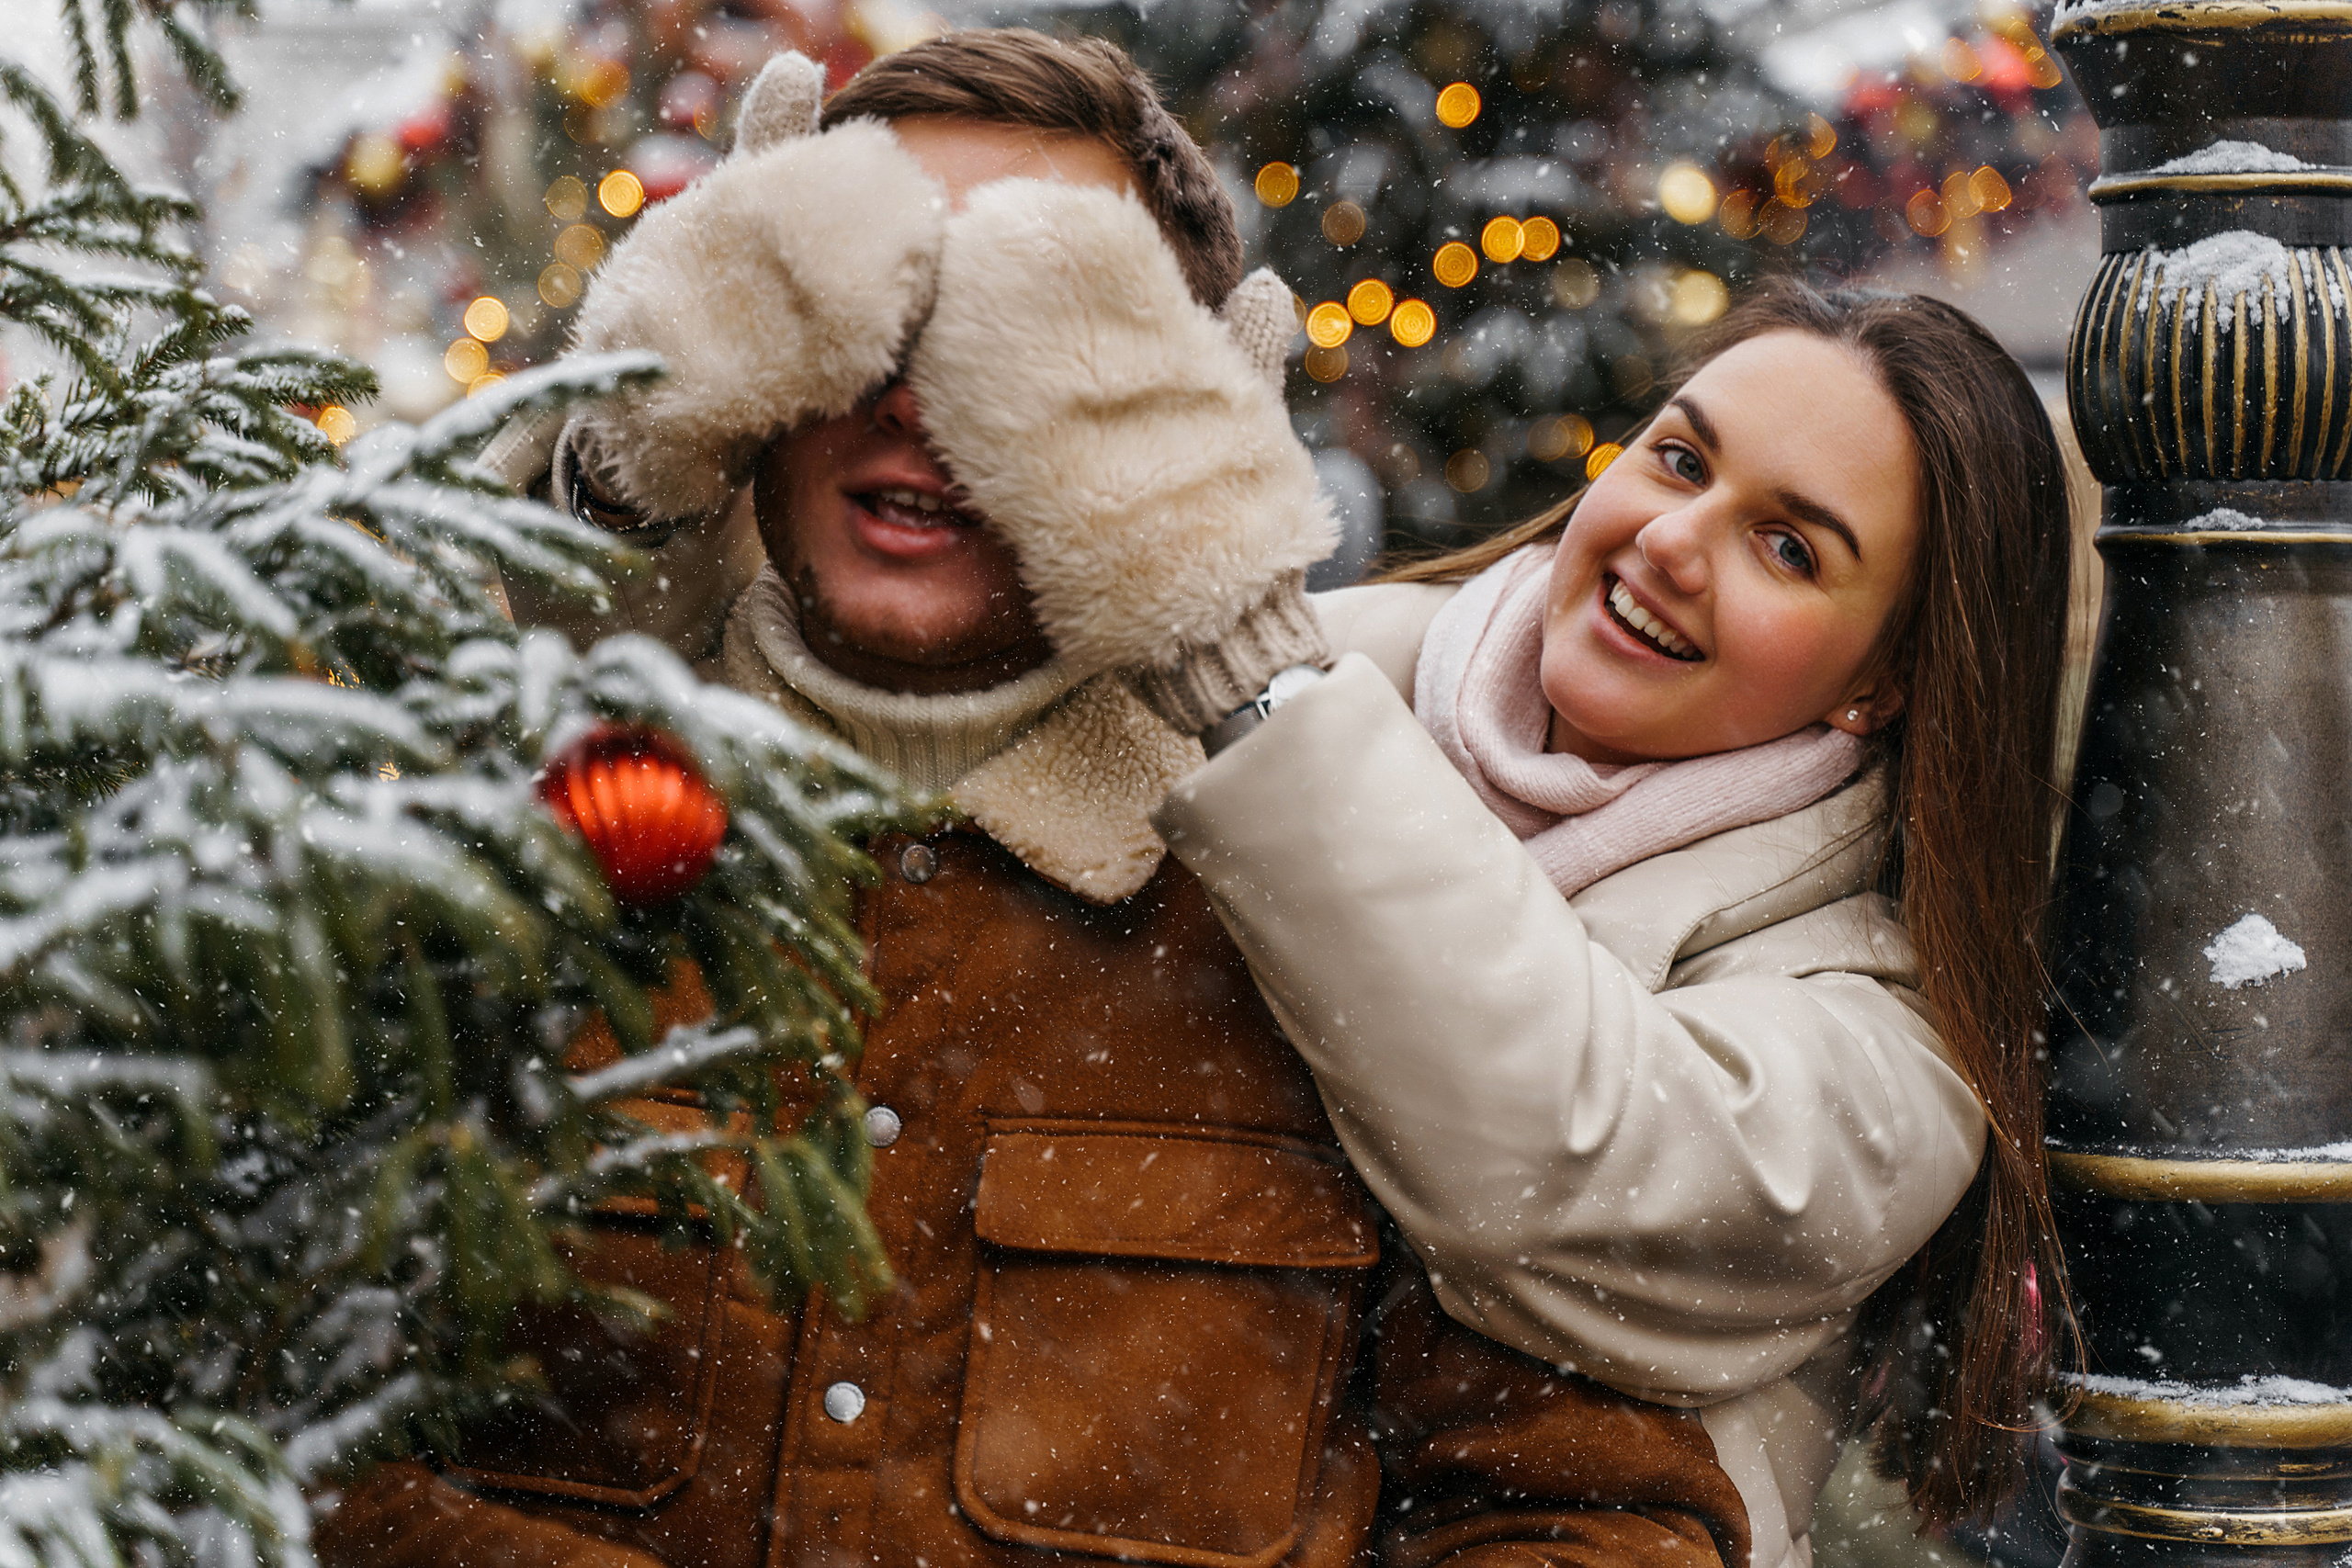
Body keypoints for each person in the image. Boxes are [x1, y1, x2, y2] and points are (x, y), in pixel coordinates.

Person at [313, 29, 1770, 1568]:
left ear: (1180, 404)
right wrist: (608, 460)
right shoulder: (512, 851)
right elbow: (207, 1400)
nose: (922, 398)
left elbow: (1597, 1519)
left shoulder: (1332, 937)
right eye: (856, 300)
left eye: (1032, 320)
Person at [936, 278, 2074, 1567]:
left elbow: (1554, 1166)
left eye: (1791, 547)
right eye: (1681, 459)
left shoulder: (1892, 1051)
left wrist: (1251, 691)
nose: (1674, 543)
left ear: (1884, 677)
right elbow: (870, 789)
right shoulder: (1301, 677)